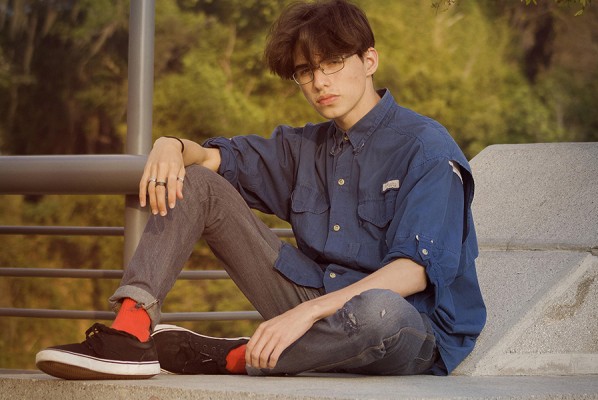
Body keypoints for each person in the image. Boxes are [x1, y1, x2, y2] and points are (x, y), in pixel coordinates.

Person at [35, 0, 485, 379]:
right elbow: (216, 160)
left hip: (405, 323)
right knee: (199, 183)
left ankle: (234, 357)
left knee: (376, 312)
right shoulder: (305, 146)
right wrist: (172, 145)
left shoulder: (426, 147)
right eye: (306, 71)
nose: (320, 82)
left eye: (333, 62)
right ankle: (130, 331)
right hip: (313, 296)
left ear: (369, 61)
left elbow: (413, 272)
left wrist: (304, 314)